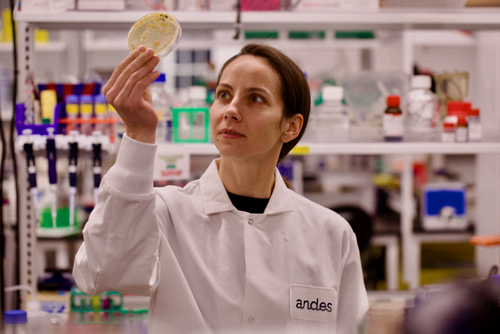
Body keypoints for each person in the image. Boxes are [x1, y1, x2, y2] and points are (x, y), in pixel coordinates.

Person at [73, 43, 369, 334]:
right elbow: (99, 274)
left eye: (255, 99)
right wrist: (139, 133)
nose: (231, 110)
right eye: (224, 95)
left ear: (290, 127)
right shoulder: (165, 213)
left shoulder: (331, 234)